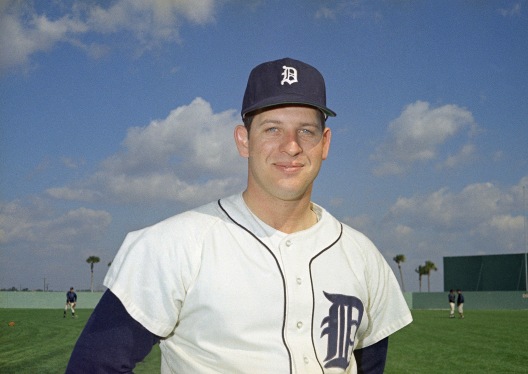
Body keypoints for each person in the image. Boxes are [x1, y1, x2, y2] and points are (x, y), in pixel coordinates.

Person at [67, 57, 412, 373]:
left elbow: (370, 365)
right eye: (272, 128)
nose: (291, 145)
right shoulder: (173, 245)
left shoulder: (362, 256)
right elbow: (94, 365)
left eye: (305, 130)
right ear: (243, 140)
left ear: (325, 143)